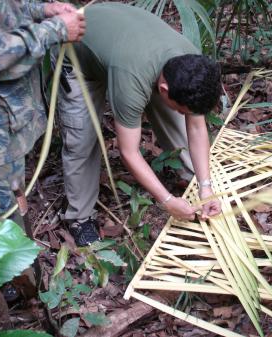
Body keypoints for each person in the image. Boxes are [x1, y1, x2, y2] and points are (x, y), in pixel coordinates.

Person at [56, 2, 222, 247]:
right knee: (82, 140)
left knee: (178, 115)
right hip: (79, 50)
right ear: (163, 89)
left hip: (124, 41)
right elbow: (129, 152)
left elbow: (196, 127)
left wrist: (206, 187)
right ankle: (79, 217)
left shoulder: (191, 64)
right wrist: (166, 201)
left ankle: (193, 180)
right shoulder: (131, 81)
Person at [0, 0, 86, 218]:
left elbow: (3, 11)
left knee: (11, 202)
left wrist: (42, 11)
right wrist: (55, 29)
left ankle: (16, 245)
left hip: (8, 120)